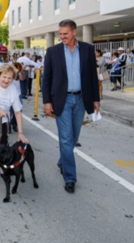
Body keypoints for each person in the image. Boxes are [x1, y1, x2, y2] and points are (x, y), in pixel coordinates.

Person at [43, 19, 100, 194]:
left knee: (74, 137)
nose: (62, 37)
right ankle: (70, 177)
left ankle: (62, 160)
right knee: (66, 139)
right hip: (62, 100)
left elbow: (92, 76)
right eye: (60, 34)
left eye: (65, 34)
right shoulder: (53, 51)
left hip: (82, 99)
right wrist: (47, 101)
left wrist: (96, 99)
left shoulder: (88, 50)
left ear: (74, 32)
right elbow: (47, 78)